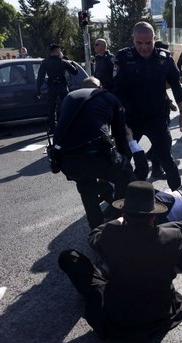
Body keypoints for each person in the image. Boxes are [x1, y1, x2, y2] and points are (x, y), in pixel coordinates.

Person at [58, 181, 182, 341]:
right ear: (154, 216)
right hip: (159, 315)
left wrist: (118, 221)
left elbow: (94, 236)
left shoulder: (110, 234)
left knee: (70, 258)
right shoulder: (172, 239)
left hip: (119, 317)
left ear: (124, 213)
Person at [53, 76, 136, 229]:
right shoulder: (108, 97)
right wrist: (124, 161)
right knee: (125, 176)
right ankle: (117, 219)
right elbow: (121, 138)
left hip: (66, 159)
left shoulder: (68, 98)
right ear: (100, 87)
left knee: (86, 187)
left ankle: (96, 228)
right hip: (95, 155)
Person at [114, 22, 182, 191]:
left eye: (148, 42)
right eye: (139, 43)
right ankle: (125, 198)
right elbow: (115, 91)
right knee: (123, 160)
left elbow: (176, 85)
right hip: (131, 120)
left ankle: (181, 198)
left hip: (156, 118)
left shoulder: (165, 58)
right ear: (133, 40)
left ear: (155, 39)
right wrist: (119, 120)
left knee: (166, 159)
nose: (144, 47)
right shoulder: (124, 58)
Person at [36, 44, 78, 133]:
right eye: (59, 50)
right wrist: (72, 62)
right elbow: (75, 71)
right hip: (62, 86)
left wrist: (38, 89)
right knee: (67, 105)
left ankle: (52, 128)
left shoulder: (45, 62)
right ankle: (68, 124)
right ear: (56, 51)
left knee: (52, 108)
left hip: (52, 86)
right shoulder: (63, 61)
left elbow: (40, 76)